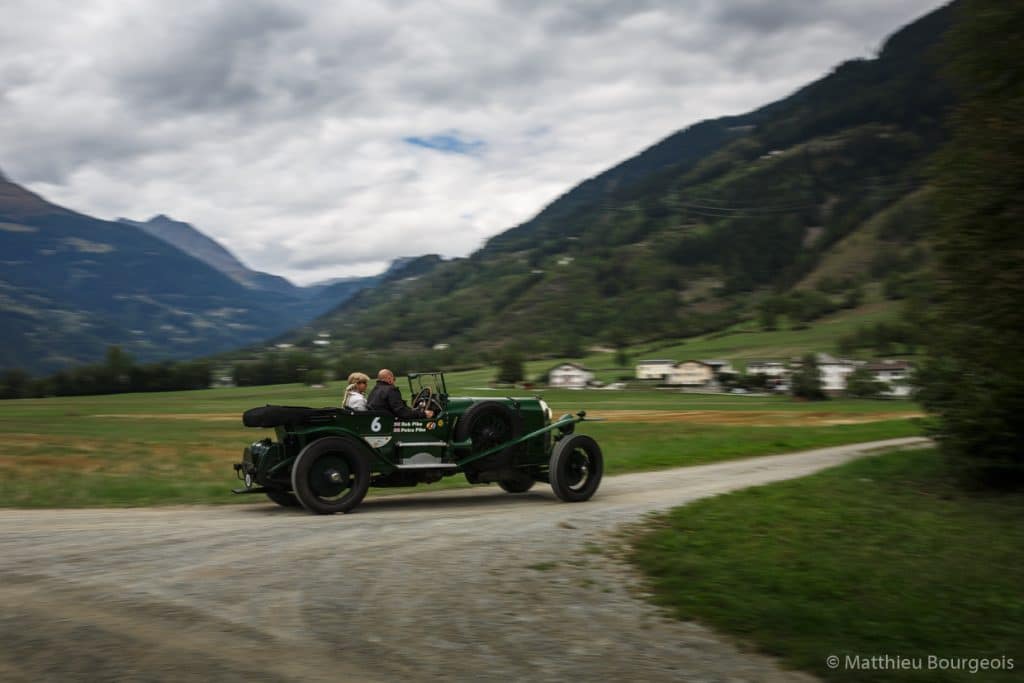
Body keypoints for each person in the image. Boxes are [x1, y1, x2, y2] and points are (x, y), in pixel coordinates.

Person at [367, 368, 434, 419]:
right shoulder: (391, 390)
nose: (394, 382)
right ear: (389, 379)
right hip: (390, 424)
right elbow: (401, 412)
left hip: (381, 421)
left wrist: (413, 410)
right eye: (394, 379)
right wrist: (423, 414)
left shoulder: (374, 390)